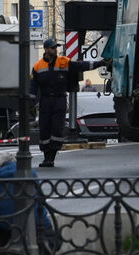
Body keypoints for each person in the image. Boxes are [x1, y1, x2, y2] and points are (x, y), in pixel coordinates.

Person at [29, 38, 110, 167]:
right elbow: (33, 87)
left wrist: (100, 63)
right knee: (44, 129)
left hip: (59, 100)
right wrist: (30, 103)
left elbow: (81, 66)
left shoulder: (64, 62)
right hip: (45, 101)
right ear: (46, 49)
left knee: (57, 128)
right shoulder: (38, 66)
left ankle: (51, 157)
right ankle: (46, 156)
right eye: (52, 48)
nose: (55, 50)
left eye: (56, 47)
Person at [0, 150, 57, 255]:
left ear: (1, 165)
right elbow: (41, 199)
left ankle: (3, 247)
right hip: (36, 221)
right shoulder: (31, 173)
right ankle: (44, 244)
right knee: (51, 234)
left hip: (7, 222)